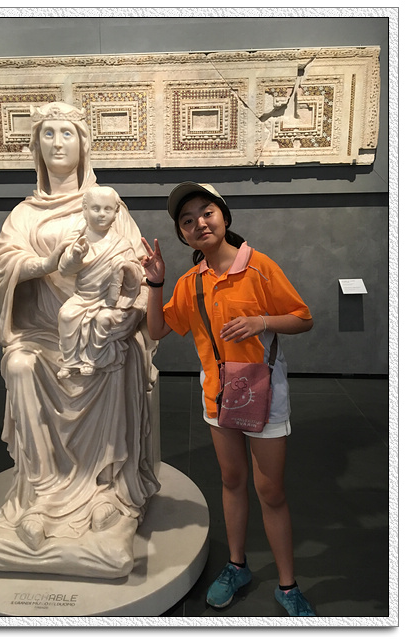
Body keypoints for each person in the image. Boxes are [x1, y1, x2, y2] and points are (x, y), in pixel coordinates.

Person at [0, 102, 160, 578]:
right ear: (36, 145)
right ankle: (41, 495)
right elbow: (4, 270)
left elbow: (136, 269)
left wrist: (125, 314)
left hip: (99, 331)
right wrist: (49, 262)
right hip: (40, 333)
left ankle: (106, 490)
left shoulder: (109, 204)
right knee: (19, 367)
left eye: (67, 133)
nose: (57, 142)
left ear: (83, 144)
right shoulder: (23, 215)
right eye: (48, 133)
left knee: (115, 358)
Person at [141, 182, 316, 616]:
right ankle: (236, 565)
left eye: (207, 213)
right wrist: (155, 282)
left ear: (224, 216)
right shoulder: (191, 282)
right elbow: (156, 330)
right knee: (233, 480)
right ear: (182, 234)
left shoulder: (259, 266)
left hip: (265, 393)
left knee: (270, 490)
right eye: (187, 220)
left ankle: (288, 585)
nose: (199, 223)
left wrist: (262, 321)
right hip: (218, 395)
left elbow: (302, 318)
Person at [57, 186, 143, 379]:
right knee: (66, 315)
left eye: (107, 209)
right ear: (85, 210)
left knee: (103, 319)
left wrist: (127, 266)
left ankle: (92, 360)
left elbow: (137, 277)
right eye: (96, 208)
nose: (102, 214)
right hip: (82, 297)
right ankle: (70, 362)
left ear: (116, 212)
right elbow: (64, 270)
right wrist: (75, 258)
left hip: (109, 301)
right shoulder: (79, 242)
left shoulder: (121, 244)